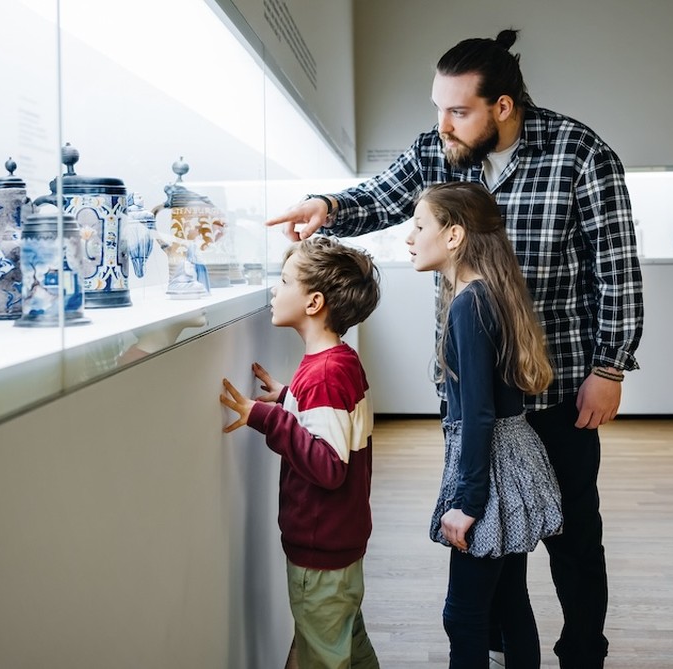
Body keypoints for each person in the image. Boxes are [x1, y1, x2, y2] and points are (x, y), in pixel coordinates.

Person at [265, 28, 644, 669]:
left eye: (458, 110)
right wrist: (326, 206)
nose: (442, 124)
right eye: (437, 107)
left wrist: (611, 367)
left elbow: (618, 272)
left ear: (503, 106)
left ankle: (583, 653)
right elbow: (382, 196)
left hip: (558, 391)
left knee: (575, 537)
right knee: (496, 545)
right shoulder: (438, 148)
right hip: (470, 399)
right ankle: (502, 652)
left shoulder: (581, 155)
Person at [410, 182, 564, 668]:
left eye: (419, 226)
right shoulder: (490, 294)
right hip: (513, 454)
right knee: (508, 599)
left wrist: (467, 503)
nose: (409, 238)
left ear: (454, 236)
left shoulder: (467, 305)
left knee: (463, 614)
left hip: (491, 470)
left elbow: (477, 413)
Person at [219, 235, 383, 669]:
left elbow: (328, 466)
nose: (275, 289)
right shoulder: (338, 362)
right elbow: (333, 426)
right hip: (342, 543)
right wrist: (289, 398)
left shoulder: (324, 376)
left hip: (321, 551)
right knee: (348, 641)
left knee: (322, 656)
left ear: (313, 303)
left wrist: (267, 417)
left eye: (284, 280)